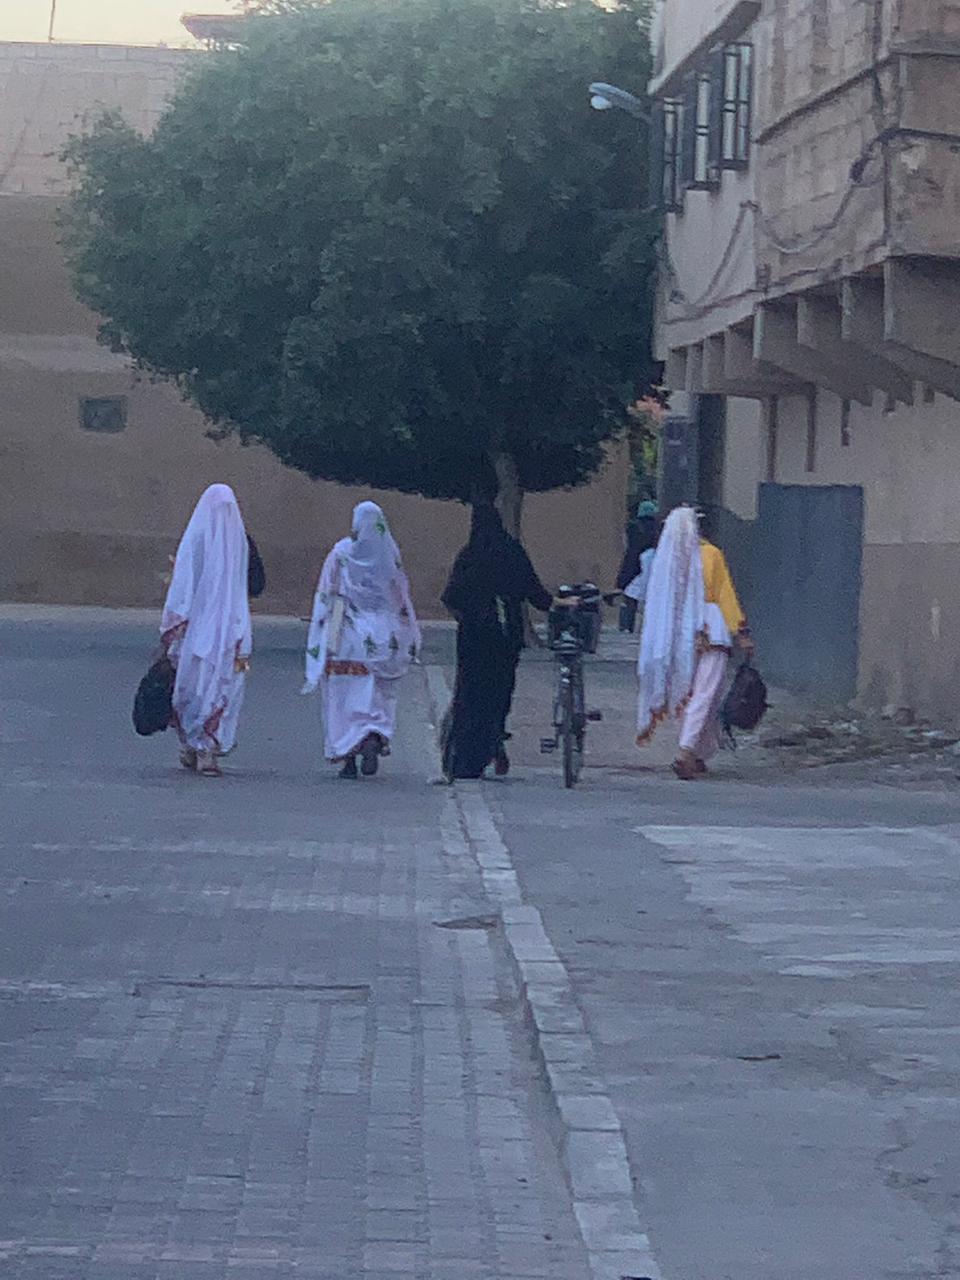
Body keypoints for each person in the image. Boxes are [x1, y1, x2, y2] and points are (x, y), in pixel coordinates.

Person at [303, 501, 420, 778]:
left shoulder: (341, 553)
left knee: (344, 695)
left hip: (349, 633)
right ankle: (374, 734)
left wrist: (320, 629)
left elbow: (326, 592)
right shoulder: (389, 555)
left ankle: (349, 756)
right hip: (384, 633)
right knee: (380, 693)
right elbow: (401, 594)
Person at [636, 505, 752, 780]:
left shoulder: (667, 561)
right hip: (712, 632)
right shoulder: (711, 555)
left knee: (693, 695)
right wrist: (741, 632)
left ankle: (701, 751)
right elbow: (725, 596)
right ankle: (686, 751)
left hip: (678, 636)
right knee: (705, 694)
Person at [441, 503, 552, 780]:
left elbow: (451, 597)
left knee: (469, 694)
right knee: (499, 693)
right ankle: (493, 740)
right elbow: (534, 592)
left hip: (474, 638)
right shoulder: (512, 552)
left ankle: (466, 758)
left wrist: (469, 617)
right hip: (506, 637)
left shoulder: (469, 555)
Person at [161, 483, 252, 779]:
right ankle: (200, 748)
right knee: (209, 685)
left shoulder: (210, 539)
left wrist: (176, 622)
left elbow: (182, 584)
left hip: (210, 628)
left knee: (204, 685)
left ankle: (203, 748)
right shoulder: (233, 540)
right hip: (222, 627)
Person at [615, 501, 659, 632]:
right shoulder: (657, 529)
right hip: (653, 564)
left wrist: (621, 581)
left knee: (630, 597)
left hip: (636, 565)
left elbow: (631, 553)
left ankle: (626, 626)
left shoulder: (633, 528)